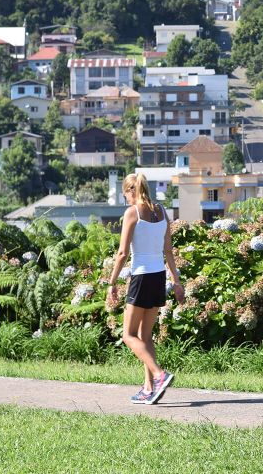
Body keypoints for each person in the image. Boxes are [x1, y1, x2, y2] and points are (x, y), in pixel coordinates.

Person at [106, 172, 185, 404]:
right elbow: (169, 251)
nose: (126, 200)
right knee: (145, 337)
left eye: (126, 195)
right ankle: (148, 389)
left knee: (128, 335)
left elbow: (122, 253)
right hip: (158, 276)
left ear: (132, 190)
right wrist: (177, 282)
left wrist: (111, 283)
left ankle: (160, 376)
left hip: (140, 278)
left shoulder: (132, 213)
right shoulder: (161, 212)